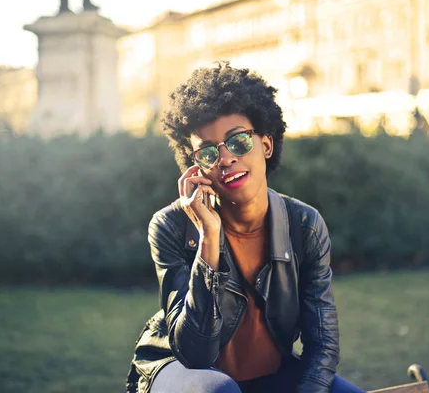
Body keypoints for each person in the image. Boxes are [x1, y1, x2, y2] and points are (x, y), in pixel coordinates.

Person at [126, 62, 366, 393]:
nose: (225, 158)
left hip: (273, 374)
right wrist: (209, 238)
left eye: (238, 141)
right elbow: (195, 353)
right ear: (198, 168)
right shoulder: (172, 226)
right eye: (208, 152)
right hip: (181, 371)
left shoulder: (304, 225)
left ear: (266, 144)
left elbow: (321, 344)